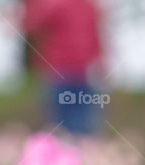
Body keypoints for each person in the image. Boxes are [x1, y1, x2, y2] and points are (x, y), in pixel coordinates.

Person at [23, 0, 104, 135]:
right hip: (74, 73)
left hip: (64, 73)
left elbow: (30, 24)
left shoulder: (53, 4)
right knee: (81, 127)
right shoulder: (89, 6)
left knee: (59, 127)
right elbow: (96, 39)